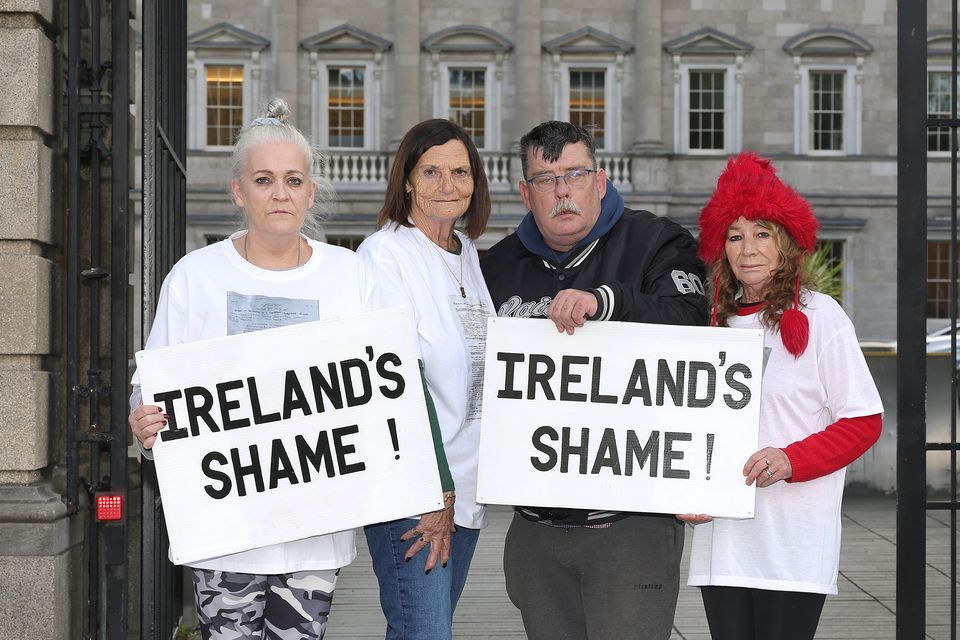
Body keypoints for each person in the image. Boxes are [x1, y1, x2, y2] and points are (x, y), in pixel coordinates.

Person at [127, 99, 364, 640]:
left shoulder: (351, 275)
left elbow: (380, 383)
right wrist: (145, 421)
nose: (280, 193)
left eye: (293, 180)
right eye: (264, 180)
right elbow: (152, 382)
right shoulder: (196, 276)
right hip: (225, 533)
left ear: (310, 191)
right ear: (239, 191)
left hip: (314, 533)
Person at [480, 120, 708, 640]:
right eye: (545, 179)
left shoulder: (656, 241)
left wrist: (609, 303)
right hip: (535, 525)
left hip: (630, 524)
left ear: (600, 181)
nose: (562, 190)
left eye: (575, 174)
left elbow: (693, 321)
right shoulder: (498, 266)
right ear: (525, 193)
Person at [682, 152, 883, 640]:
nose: (748, 249)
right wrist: (685, 491)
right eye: (735, 236)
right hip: (723, 542)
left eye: (762, 233)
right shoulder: (709, 323)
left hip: (793, 544)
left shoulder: (821, 316)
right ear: (721, 247)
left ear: (786, 242)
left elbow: (864, 421)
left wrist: (792, 459)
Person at [356, 119, 494, 640]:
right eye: (431, 172)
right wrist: (437, 491)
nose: (447, 185)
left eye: (460, 172)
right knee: (424, 633)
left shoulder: (466, 253)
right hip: (417, 492)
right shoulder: (385, 254)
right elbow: (396, 381)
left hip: (467, 488)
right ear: (408, 181)